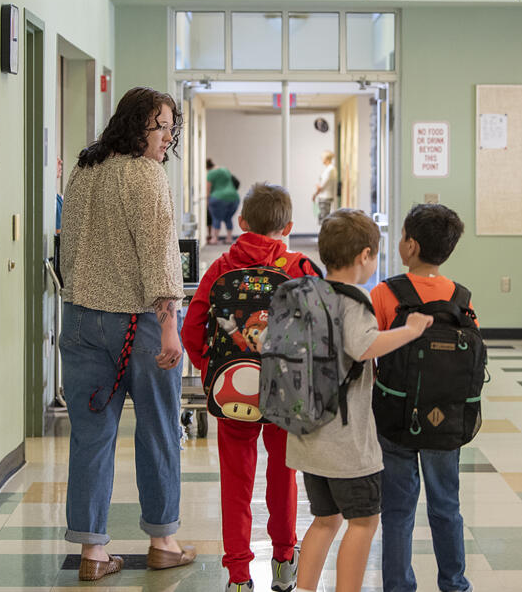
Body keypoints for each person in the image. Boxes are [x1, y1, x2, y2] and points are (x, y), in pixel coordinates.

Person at [59, 86, 195, 582]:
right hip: (136, 323)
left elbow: (68, 245)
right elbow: (161, 254)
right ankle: (163, 540)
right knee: (159, 429)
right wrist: (169, 329)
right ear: (138, 126)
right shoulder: (145, 176)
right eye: (162, 126)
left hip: (78, 318)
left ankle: (92, 553)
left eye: (171, 128)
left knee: (90, 437)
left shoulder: (84, 170)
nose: (168, 137)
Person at [182, 183, 320, 592]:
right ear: (289, 226)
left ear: (241, 223)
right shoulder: (299, 268)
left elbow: (192, 329)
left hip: (233, 391)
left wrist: (213, 371)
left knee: (236, 483)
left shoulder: (222, 266)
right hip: (284, 394)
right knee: (283, 476)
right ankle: (282, 560)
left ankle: (239, 576)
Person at [289, 209, 433, 592]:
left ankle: (304, 589)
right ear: (364, 256)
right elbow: (365, 344)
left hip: (309, 437)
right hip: (346, 444)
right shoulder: (355, 301)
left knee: (325, 520)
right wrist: (410, 329)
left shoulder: (309, 294)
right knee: (364, 521)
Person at [370, 203, 474, 592]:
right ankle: (454, 583)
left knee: (397, 511)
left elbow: (370, 349)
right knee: (447, 507)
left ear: (409, 246)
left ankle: (398, 586)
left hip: (395, 418)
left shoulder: (385, 293)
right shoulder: (461, 298)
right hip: (446, 419)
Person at [207, 157, 241, 244]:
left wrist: (208, 200)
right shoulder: (225, 170)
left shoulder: (210, 173)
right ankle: (229, 238)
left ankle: (215, 239)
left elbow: (208, 188)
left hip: (218, 198)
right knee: (228, 218)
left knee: (216, 218)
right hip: (234, 197)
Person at [311, 150, 337, 225]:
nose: (322, 160)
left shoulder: (330, 169)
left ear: (327, 159)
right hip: (324, 196)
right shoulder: (329, 169)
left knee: (324, 219)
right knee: (322, 218)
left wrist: (314, 194)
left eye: (322, 158)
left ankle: (323, 236)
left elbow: (322, 186)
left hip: (325, 197)